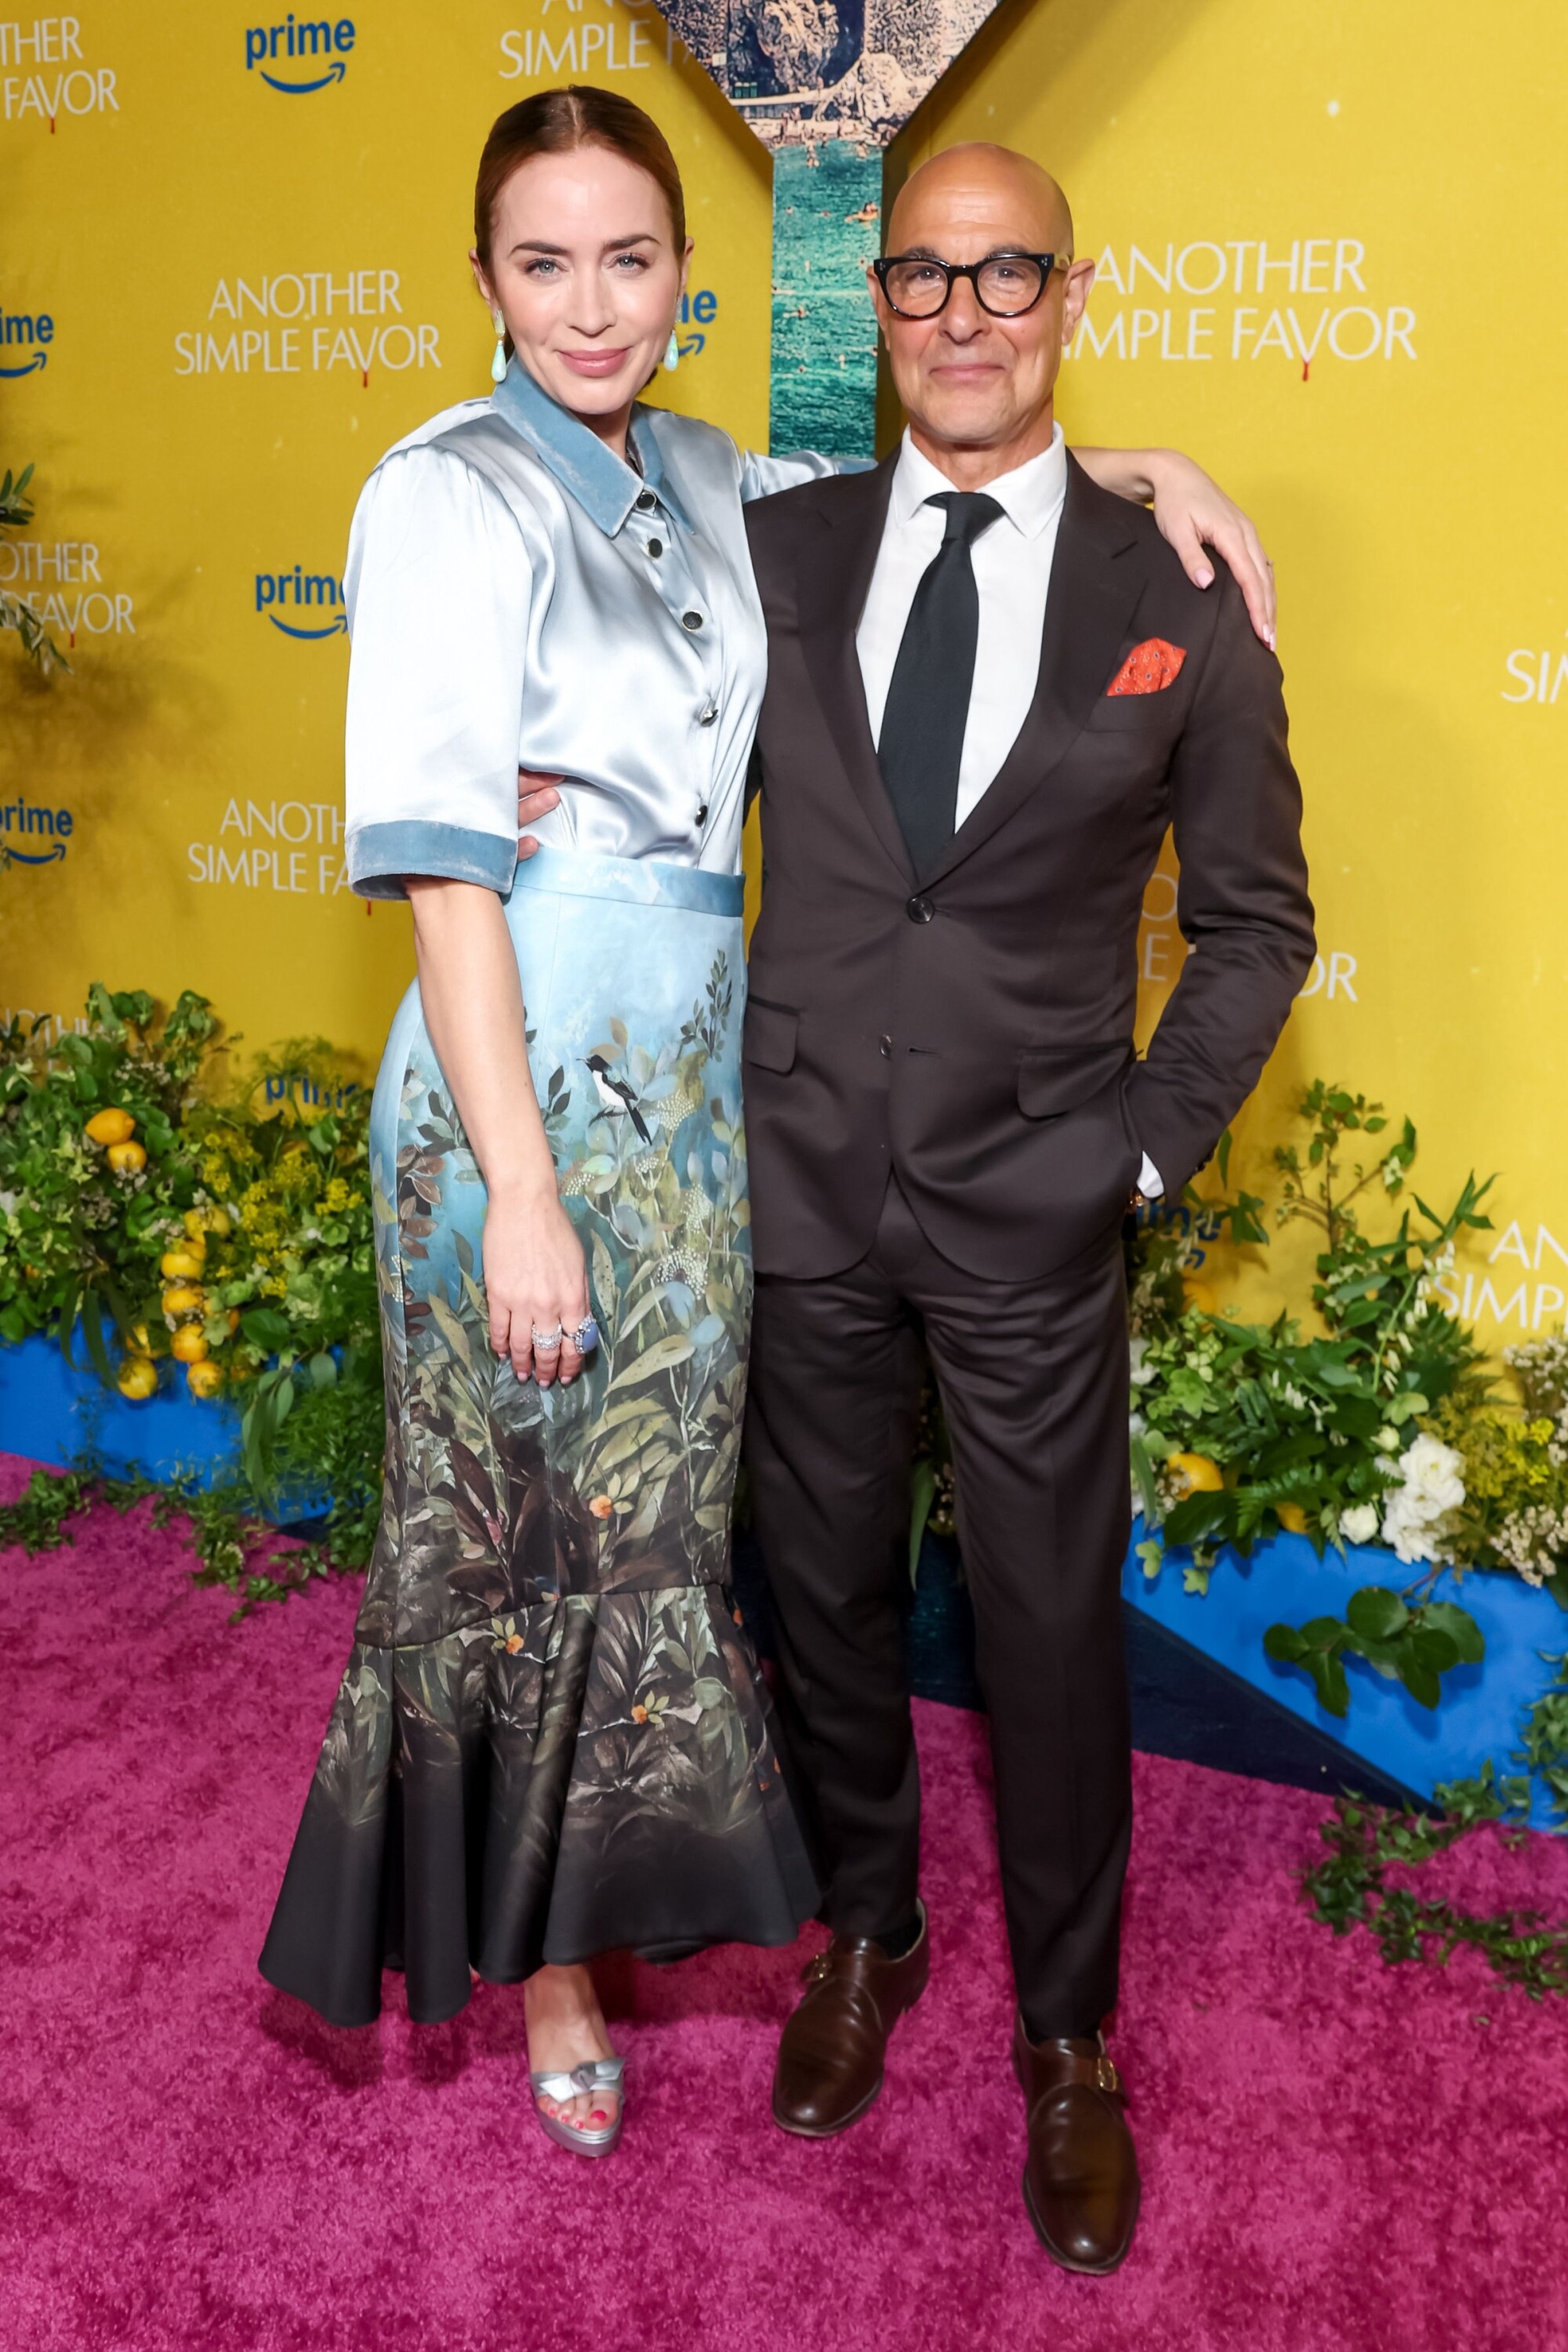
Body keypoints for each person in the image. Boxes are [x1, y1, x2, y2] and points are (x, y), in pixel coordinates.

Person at [261, 85, 1279, 2162]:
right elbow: (444, 866)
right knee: (558, 1545)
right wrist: (520, 1183)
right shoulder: (470, 494)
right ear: (484, 282)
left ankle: (1025, 2021)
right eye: (543, 262)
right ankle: (647, 1962)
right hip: (578, 1116)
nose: (590, 302)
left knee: (687, 1553)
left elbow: (971, 479)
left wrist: (1146, 469)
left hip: (750, 1145)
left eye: (629, 258)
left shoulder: (732, 487)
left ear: (685, 279)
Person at [739, 143, 1315, 2270]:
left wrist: (1139, 1151)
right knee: (821, 1598)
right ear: (877, 301)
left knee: (1054, 1634)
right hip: (802, 1177)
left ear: (1074, 293)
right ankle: (866, 1931)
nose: (964, 314)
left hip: (1040, 1202)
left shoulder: (1183, 592)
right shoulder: (773, 547)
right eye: (924, 274)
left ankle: (1072, 2040)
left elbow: (1255, 925)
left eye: (1008, 275)